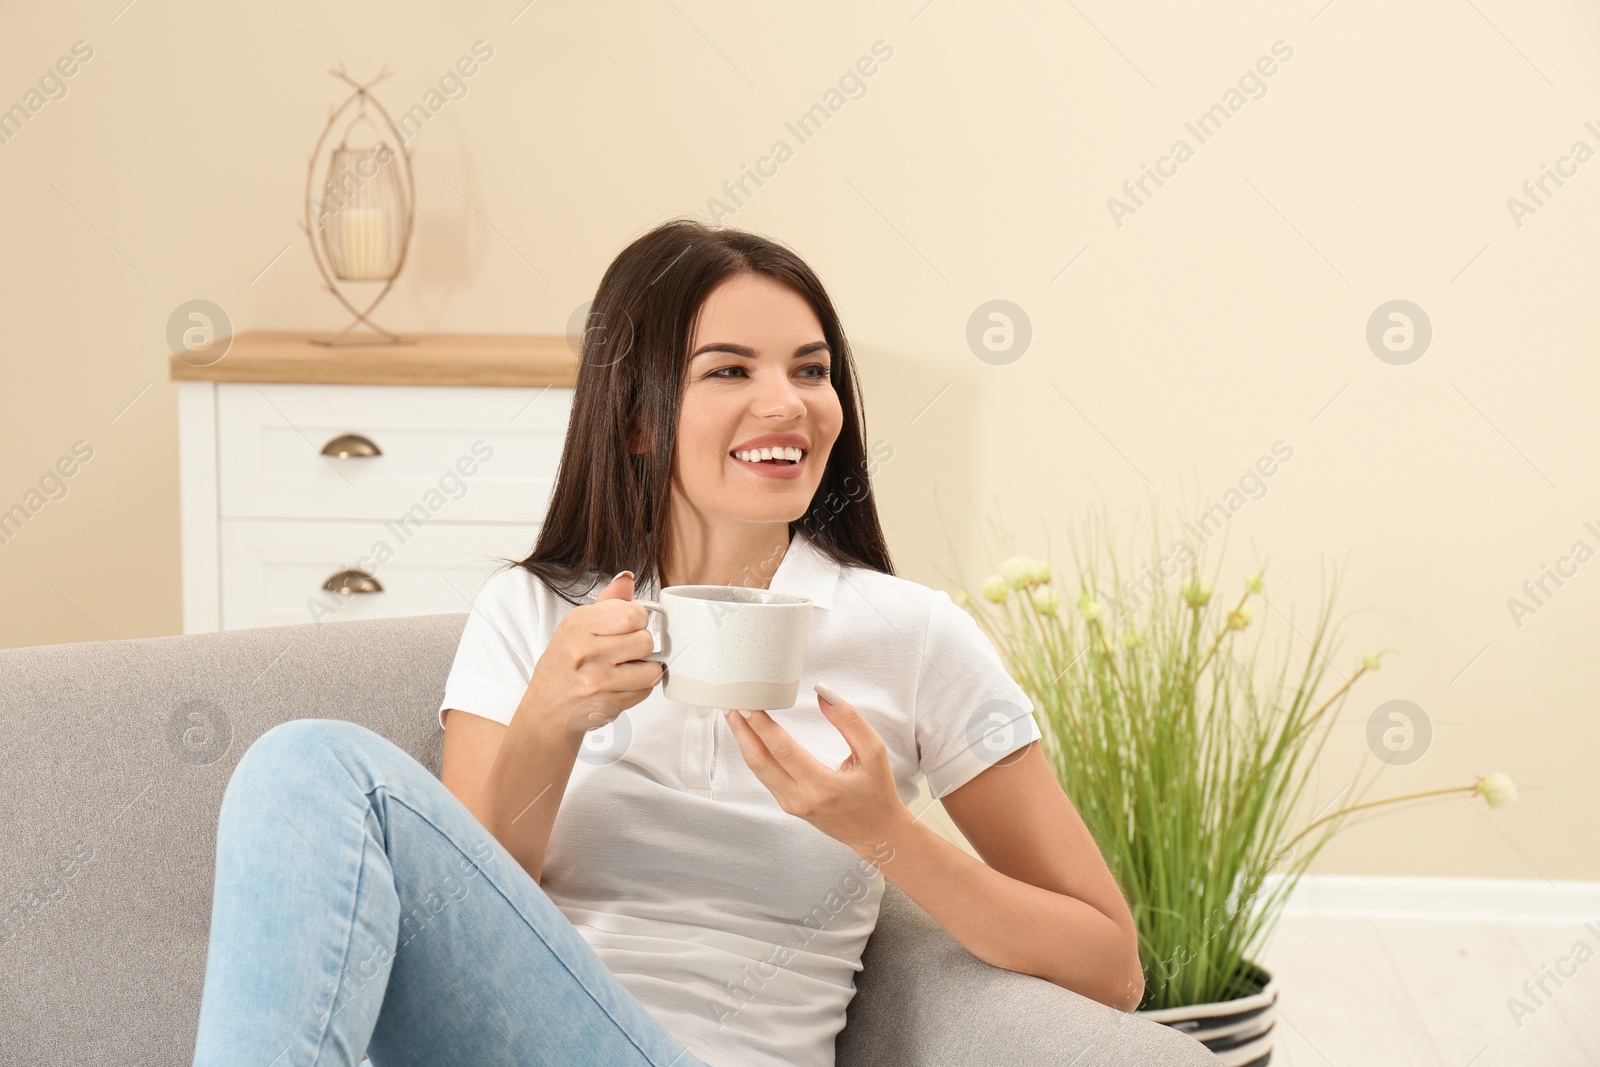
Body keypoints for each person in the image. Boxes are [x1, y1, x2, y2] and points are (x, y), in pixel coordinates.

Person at [190, 218, 1156, 1067]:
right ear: (642, 418)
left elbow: (1112, 967)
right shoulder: (534, 612)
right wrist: (548, 725)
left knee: (315, 760)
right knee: (304, 764)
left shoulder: (911, 636)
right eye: (730, 370)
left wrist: (884, 835)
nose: (787, 403)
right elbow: (457, 927)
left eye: (810, 370)